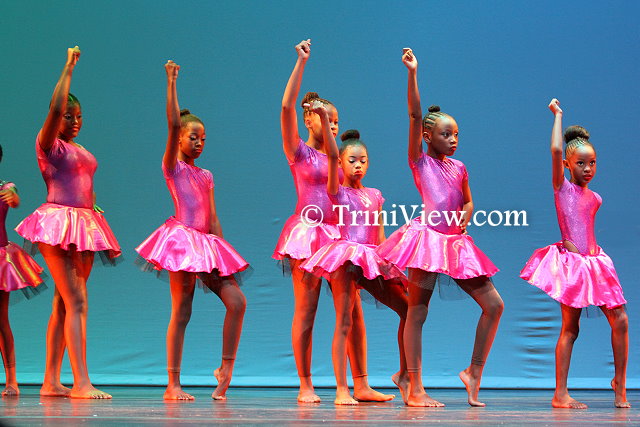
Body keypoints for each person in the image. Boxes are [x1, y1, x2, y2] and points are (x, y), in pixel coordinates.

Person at [376, 48, 503, 407]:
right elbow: (414, 114)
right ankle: (412, 383)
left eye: (456, 134)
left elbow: (467, 201)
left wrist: (467, 213)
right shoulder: (419, 161)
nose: (453, 140)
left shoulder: (459, 167)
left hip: (455, 243)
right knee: (417, 310)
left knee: (494, 305)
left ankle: (473, 372)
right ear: (427, 136)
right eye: (446, 134)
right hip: (428, 242)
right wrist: (412, 73)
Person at [273, 39, 393, 403]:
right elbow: (285, 106)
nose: (333, 125)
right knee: (307, 309)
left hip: (340, 237)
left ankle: (361, 383)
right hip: (308, 235)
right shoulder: (299, 152)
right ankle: (305, 384)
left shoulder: (340, 160)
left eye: (337, 121)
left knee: (352, 312)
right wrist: (300, 62)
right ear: (309, 119)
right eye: (326, 118)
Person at [136, 60, 248, 401]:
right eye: (193, 137)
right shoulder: (173, 167)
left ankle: (225, 368)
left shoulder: (206, 175)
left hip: (207, 244)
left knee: (237, 301)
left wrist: (223, 254)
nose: (199, 143)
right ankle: (173, 384)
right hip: (182, 241)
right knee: (182, 311)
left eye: (203, 138)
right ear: (180, 139)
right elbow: (172, 124)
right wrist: (171, 82)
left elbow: (212, 218)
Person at [15, 46, 121, 399]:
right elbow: (54, 108)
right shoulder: (50, 145)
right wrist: (68, 68)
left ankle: (50, 381)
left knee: (64, 302)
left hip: (84, 223)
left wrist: (91, 205)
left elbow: (82, 183)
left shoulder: (79, 149)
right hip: (58, 223)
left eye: (79, 116)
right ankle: (81, 383)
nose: (74, 121)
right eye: (68, 116)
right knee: (77, 301)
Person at [520, 98, 629, 409]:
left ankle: (620, 383)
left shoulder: (595, 198)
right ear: (568, 165)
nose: (588, 169)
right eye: (580, 163)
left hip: (597, 263)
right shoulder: (562, 188)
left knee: (620, 320)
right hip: (573, 266)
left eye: (592, 162)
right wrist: (558, 116)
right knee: (571, 327)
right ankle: (560, 393)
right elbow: (556, 150)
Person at [299, 113, 409, 405]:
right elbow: (332, 155)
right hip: (347, 258)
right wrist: (326, 122)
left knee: (409, 310)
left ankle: (403, 374)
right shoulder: (337, 192)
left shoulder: (375, 194)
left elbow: (380, 237)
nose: (358, 165)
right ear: (340, 164)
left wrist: (392, 266)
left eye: (363, 160)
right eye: (351, 160)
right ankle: (341, 389)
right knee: (345, 320)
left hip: (371, 257)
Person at [0, 144, 46, 396]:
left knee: (1, 320)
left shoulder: (5, 187)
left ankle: (12, 380)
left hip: (1, 258)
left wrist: (13, 197)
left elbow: (14, 198)